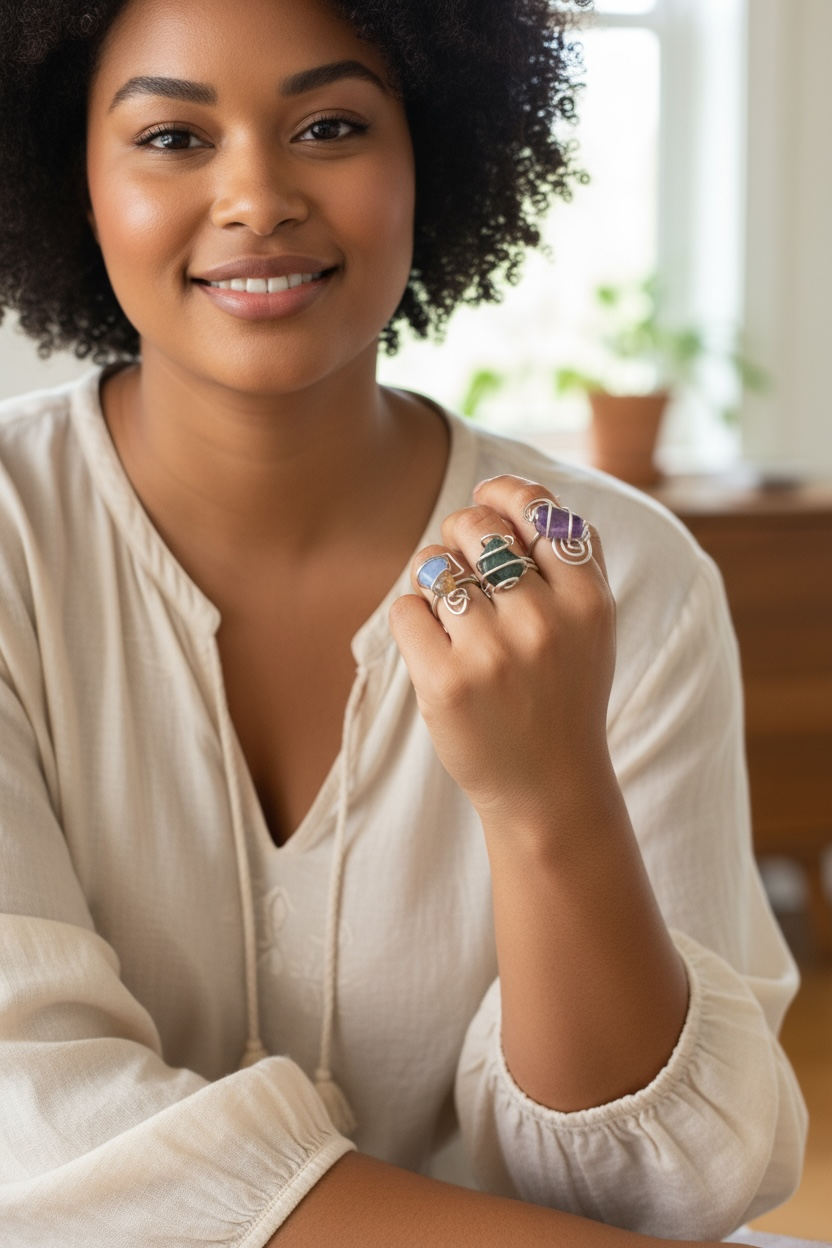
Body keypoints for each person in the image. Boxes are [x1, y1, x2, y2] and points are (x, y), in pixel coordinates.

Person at [0, 0, 807, 1244]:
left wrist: (551, 801)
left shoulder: (619, 574)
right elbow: (31, 1128)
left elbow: (662, 1193)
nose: (258, 195)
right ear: (75, 180)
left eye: (330, 125)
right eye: (172, 138)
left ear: (431, 152)